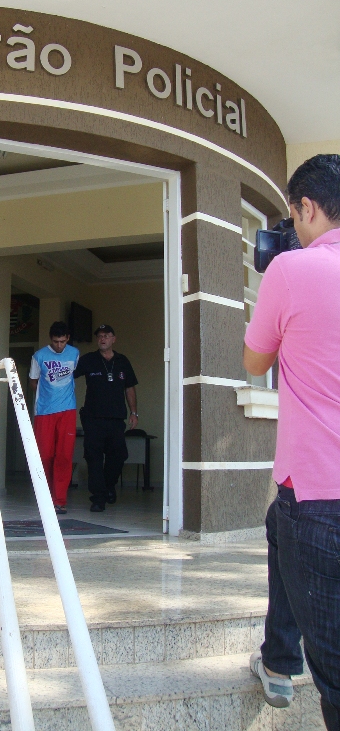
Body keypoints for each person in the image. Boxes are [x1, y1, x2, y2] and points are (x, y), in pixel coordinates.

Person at [244, 154, 340, 730]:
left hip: (318, 494)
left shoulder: (290, 268)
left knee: (336, 677)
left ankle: (285, 663)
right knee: (275, 524)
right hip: (298, 502)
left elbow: (255, 362)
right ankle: (279, 661)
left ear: (307, 207)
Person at [74, 324, 138, 512]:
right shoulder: (88, 360)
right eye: (100, 336)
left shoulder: (122, 361)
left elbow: (130, 388)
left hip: (116, 419)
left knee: (119, 455)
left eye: (106, 335)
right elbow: (68, 376)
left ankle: (108, 486)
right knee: (93, 458)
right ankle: (98, 498)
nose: (103, 339)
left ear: (113, 339)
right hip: (93, 418)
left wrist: (134, 412)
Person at [29, 321, 79, 514]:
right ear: (51, 339)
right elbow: (33, 381)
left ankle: (59, 500)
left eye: (63, 341)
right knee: (45, 455)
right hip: (44, 412)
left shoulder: (75, 354)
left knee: (64, 455)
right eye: (56, 342)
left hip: (68, 410)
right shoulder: (39, 356)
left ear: (68, 339)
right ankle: (45, 498)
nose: (59, 345)